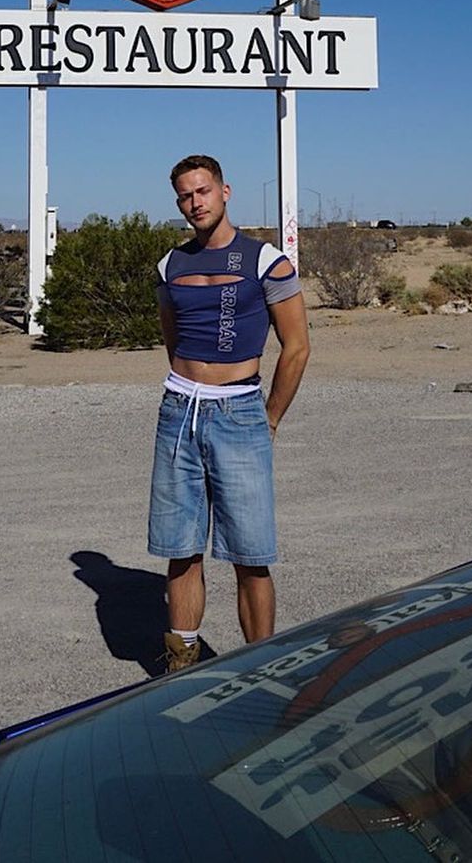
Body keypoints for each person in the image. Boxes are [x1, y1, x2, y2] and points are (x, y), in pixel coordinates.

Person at [148, 154, 310, 672]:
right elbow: (173, 338)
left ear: (225, 191)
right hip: (180, 412)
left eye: (203, 191)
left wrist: (270, 416)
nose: (195, 203)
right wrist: (188, 385)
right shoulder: (170, 266)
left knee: (250, 554)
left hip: (240, 411)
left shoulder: (265, 262)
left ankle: (260, 668)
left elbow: (297, 346)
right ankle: (182, 661)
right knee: (181, 547)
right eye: (185, 196)